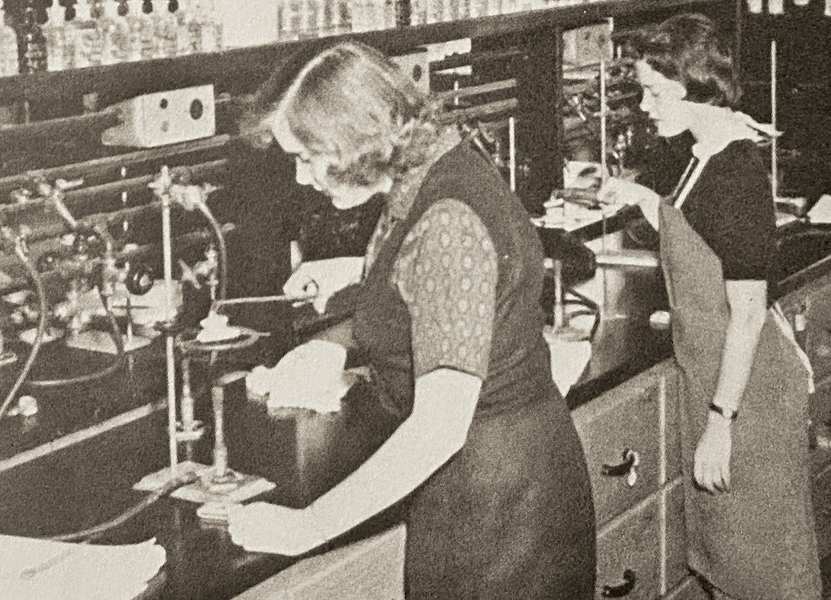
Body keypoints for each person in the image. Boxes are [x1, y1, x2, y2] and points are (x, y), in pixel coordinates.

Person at [226, 41, 597, 599]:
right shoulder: (434, 172)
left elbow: (438, 428)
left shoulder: (445, 219)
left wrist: (304, 529)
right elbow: (431, 289)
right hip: (505, 483)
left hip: (496, 511)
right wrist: (342, 330)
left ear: (354, 141)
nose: (303, 179)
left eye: (306, 157)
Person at [599, 13, 821, 600]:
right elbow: (693, 230)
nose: (644, 106)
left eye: (653, 90)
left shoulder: (736, 173)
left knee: (762, 567)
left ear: (693, 84)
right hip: (717, 376)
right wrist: (643, 197)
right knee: (724, 560)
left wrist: (721, 423)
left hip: (745, 396)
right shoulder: (705, 150)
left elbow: (747, 312)